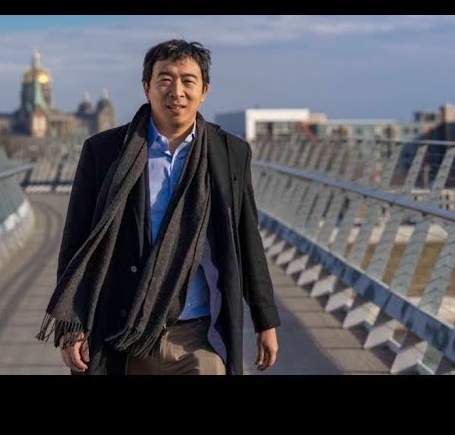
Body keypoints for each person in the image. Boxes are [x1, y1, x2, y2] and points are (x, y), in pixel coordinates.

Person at [37, 39, 280, 375]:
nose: (176, 91)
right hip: (121, 332)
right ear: (146, 88)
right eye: (165, 80)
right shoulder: (104, 152)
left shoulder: (230, 153)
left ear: (204, 91)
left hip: (199, 335)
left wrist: (265, 321)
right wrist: (72, 325)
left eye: (188, 81)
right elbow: (76, 243)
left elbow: (247, 239)